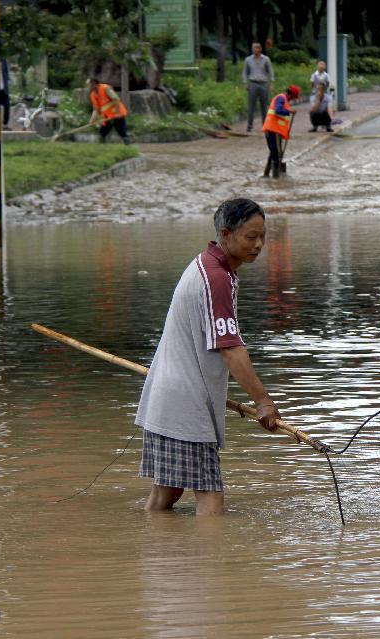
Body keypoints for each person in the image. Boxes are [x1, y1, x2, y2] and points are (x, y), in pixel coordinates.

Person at [135, 198, 281, 516]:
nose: (259, 245)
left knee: (166, 493)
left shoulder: (206, 265)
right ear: (226, 235)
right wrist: (263, 401)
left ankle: (156, 554)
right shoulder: (216, 279)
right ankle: (209, 562)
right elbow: (230, 348)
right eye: (250, 237)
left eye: (262, 236)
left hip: (166, 396)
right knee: (210, 497)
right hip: (185, 403)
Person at [262, 84, 298, 179]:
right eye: (294, 98)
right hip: (272, 131)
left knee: (274, 153)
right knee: (276, 155)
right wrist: (289, 111)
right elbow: (278, 110)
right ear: (291, 95)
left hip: (275, 131)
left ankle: (266, 175)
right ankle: (276, 179)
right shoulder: (281, 98)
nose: (293, 100)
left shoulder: (283, 100)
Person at [242, 42, 274, 133]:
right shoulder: (248, 60)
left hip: (263, 83)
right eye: (253, 48)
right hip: (252, 83)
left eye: (257, 48)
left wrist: (271, 83)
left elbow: (270, 71)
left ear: (260, 49)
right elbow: (245, 72)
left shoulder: (266, 59)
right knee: (251, 105)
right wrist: (245, 82)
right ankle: (250, 126)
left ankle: (265, 126)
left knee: (264, 106)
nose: (255, 49)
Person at [88, 77, 130, 144]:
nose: (88, 86)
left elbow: (116, 99)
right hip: (107, 117)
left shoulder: (105, 88)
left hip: (117, 115)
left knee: (122, 132)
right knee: (102, 133)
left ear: (94, 84)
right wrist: (92, 120)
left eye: (89, 84)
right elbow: (96, 109)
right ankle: (102, 149)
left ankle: (129, 147)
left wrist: (117, 113)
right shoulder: (93, 95)